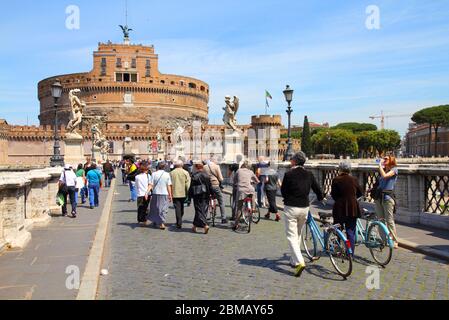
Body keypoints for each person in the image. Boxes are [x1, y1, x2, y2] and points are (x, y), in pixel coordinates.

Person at [281, 152, 324, 278]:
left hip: (291, 207)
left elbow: (284, 191)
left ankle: (300, 262)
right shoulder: (309, 174)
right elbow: (317, 189)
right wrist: (321, 197)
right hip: (304, 208)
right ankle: (294, 260)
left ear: (294, 161)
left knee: (291, 236)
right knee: (298, 233)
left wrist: (288, 198)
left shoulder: (288, 174)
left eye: (292, 159)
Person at [330, 161, 363, 256]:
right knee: (351, 232)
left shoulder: (336, 179)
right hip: (353, 208)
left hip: (339, 209)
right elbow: (360, 193)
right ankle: (350, 253)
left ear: (340, 169)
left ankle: (337, 250)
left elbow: (333, 195)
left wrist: (340, 200)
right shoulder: (354, 179)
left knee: (338, 230)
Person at [375, 155, 399, 248]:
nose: (384, 160)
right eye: (383, 159)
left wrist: (379, 165)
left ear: (391, 160)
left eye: (386, 159)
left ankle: (394, 241)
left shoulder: (394, 170)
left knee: (389, 220)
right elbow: (379, 183)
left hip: (387, 198)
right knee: (380, 220)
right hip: (379, 198)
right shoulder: (383, 170)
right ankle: (384, 240)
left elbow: (385, 177)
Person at [232, 161, 260, 231]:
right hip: (250, 189)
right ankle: (253, 208)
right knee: (253, 193)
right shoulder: (251, 172)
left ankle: (236, 225)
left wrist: (236, 183)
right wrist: (254, 182)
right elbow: (257, 181)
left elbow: (234, 180)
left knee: (239, 208)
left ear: (243, 165)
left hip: (241, 190)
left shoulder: (238, 171)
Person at [148, 162, 173, 230]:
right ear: (164, 167)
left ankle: (156, 220)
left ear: (157, 167)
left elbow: (151, 184)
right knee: (163, 209)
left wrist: (147, 192)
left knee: (155, 208)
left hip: (155, 193)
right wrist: (170, 195)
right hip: (164, 193)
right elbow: (169, 186)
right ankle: (161, 222)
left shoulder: (154, 174)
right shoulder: (167, 174)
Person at [189, 162, 212, 234]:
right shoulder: (207, 175)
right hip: (206, 194)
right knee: (202, 210)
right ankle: (194, 226)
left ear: (196, 168)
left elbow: (191, 187)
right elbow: (210, 186)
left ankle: (205, 225)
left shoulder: (194, 176)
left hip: (197, 194)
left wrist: (189, 196)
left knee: (199, 209)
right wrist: (211, 194)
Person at [204, 156, 228, 224]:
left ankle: (204, 217)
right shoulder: (216, 166)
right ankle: (223, 218)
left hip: (207, 186)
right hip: (215, 185)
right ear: (214, 161)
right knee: (221, 201)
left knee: (206, 201)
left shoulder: (205, 167)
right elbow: (220, 178)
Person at [170, 160, 191, 229]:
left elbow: (169, 184)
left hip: (174, 193)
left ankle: (179, 221)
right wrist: (189, 192)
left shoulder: (171, 173)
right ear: (182, 165)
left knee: (177, 208)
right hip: (183, 192)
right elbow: (188, 184)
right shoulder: (185, 172)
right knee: (181, 208)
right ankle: (179, 221)